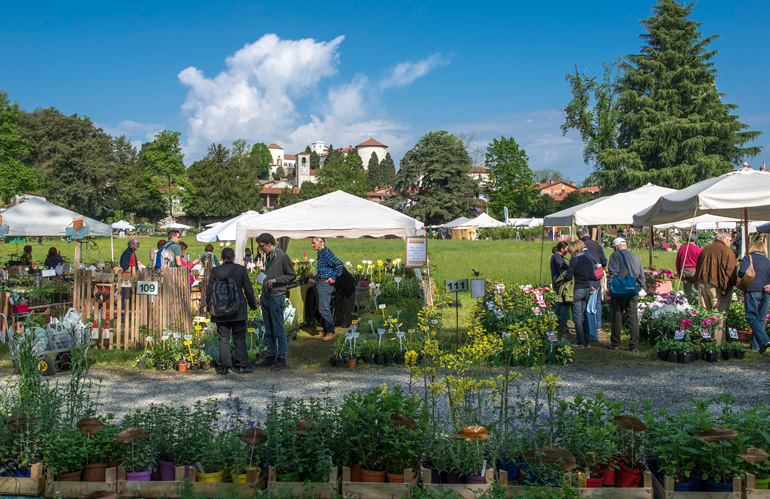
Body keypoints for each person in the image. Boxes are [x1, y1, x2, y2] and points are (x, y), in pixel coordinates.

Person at [206, 247, 258, 375]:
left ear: (222, 257)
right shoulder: (240, 270)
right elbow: (248, 289)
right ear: (234, 257)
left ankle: (224, 366)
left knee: (223, 339)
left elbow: (209, 292)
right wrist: (252, 306)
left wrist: (209, 307)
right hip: (237, 309)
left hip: (220, 309)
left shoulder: (215, 271)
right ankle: (242, 365)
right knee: (239, 338)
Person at [254, 233, 296, 371]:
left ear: (269, 243)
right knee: (269, 328)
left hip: (277, 296)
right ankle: (271, 355)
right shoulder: (267, 256)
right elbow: (266, 275)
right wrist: (261, 293)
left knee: (278, 329)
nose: (260, 249)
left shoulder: (282, 256)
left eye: (261, 246)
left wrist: (276, 280)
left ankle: (282, 358)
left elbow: (291, 275)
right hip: (266, 296)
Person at [694, 231, 738, 345]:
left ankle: (705, 340)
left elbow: (697, 267)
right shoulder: (727, 251)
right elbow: (731, 271)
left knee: (704, 313)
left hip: (702, 283)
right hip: (718, 286)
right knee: (719, 315)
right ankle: (717, 343)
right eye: (730, 240)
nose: (731, 243)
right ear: (723, 239)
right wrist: (732, 285)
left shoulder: (705, 249)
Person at [607, 238, 646, 352]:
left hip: (620, 290)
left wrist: (610, 287)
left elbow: (613, 273)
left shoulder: (615, 256)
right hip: (633, 289)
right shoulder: (635, 256)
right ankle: (634, 345)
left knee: (617, 316)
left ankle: (616, 343)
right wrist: (642, 287)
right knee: (633, 318)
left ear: (616, 246)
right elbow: (641, 274)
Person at [738, 239, 770, 352]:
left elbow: (741, 273)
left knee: (751, 317)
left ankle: (765, 340)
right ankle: (757, 346)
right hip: (766, 292)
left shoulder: (748, 258)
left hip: (752, 290)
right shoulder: (767, 261)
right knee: (761, 319)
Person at [563, 240, 594, 348]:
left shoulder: (574, 260)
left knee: (577, 317)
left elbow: (568, 275)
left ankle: (580, 341)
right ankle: (587, 340)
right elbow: (592, 276)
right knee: (584, 315)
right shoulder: (588, 259)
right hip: (587, 289)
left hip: (577, 289)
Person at [311, 236, 343, 340]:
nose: (312, 245)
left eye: (314, 243)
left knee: (323, 308)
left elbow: (339, 264)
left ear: (320, 243)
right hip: (320, 282)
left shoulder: (326, 253)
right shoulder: (321, 253)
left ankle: (331, 331)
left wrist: (333, 277)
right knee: (321, 308)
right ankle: (325, 330)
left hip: (325, 284)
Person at [578, 228, 606, 341]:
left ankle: (591, 332)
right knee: (597, 304)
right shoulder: (596, 246)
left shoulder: (582, 253)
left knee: (588, 308)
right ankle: (598, 325)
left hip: (589, 282)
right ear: (588, 234)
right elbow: (604, 261)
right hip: (597, 280)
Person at [549, 241, 570, 333]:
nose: (567, 251)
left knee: (559, 303)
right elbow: (562, 265)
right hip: (559, 283)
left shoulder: (557, 256)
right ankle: (562, 323)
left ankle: (557, 322)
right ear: (562, 249)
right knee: (564, 303)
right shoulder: (557, 256)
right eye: (566, 249)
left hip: (556, 283)